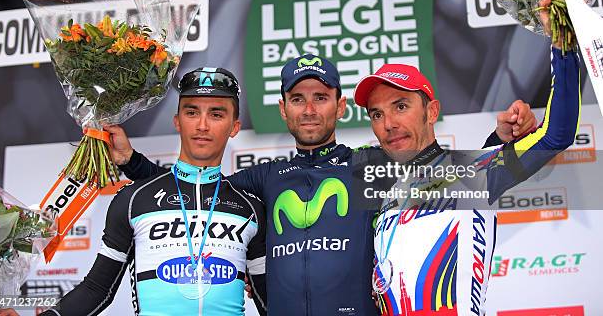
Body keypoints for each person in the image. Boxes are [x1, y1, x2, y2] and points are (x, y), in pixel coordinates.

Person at [105, 54, 536, 316]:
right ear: (283, 109)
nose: (309, 110)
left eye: (321, 97)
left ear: (340, 106)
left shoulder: (371, 167)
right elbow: (195, 194)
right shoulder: (266, 177)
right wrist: (131, 162)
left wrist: (497, 143)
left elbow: (450, 181)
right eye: (298, 99)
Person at [352, 0, 580, 315]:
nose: (389, 124)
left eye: (401, 106)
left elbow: (557, 134)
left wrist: (562, 44)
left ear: (431, 112)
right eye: (377, 115)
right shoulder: (387, 195)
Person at [34, 67, 267, 316]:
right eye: (192, 112)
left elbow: (269, 303)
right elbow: (97, 290)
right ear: (177, 121)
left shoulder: (250, 208)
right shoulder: (133, 200)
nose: (202, 125)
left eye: (216, 114)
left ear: (234, 126)